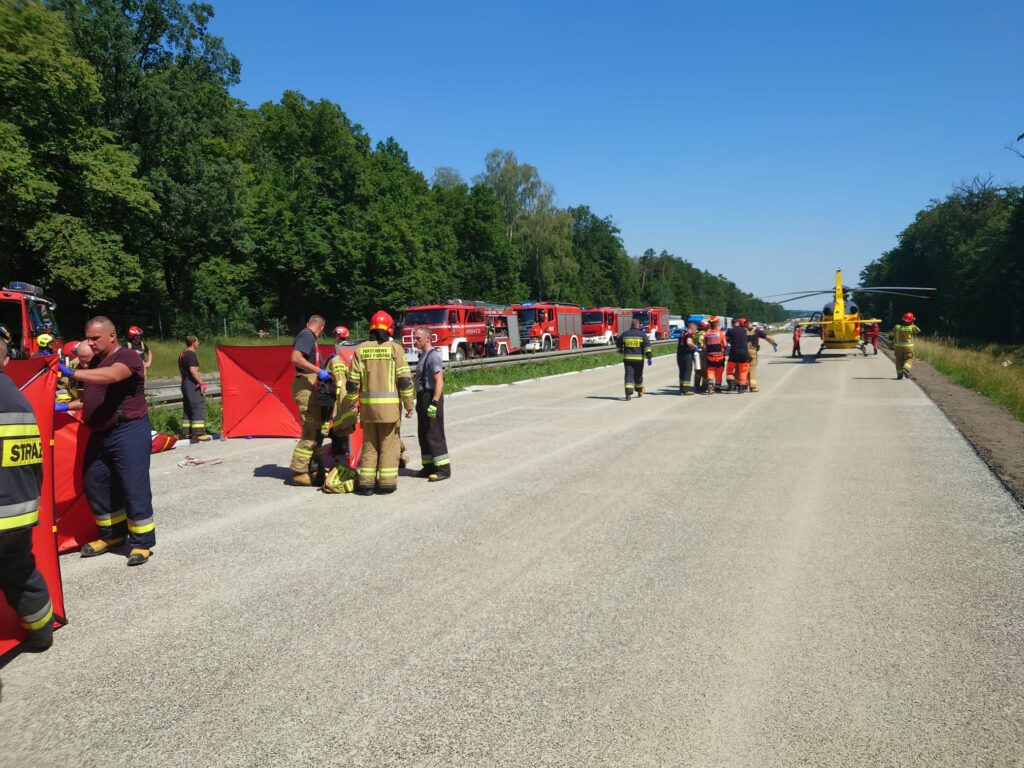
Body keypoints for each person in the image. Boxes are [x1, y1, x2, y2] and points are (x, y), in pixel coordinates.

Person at [58, 317, 155, 566]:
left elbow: (113, 377)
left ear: (111, 336)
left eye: (94, 339)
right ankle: (113, 535)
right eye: (87, 338)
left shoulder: (128, 357)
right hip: (101, 433)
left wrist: (72, 372)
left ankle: (141, 542)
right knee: (95, 482)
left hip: (129, 430)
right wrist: (64, 406)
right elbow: (90, 399)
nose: (90, 344)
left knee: (133, 485)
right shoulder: (96, 363)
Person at [0, 340, 53, 652]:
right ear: (6, 362)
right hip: (21, 509)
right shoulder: (21, 401)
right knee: (21, 573)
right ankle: (42, 633)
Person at [340, 311, 414, 495]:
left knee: (370, 446)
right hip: (389, 411)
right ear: (389, 328)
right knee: (389, 446)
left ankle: (366, 483)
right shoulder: (395, 349)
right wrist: (409, 405)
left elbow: (352, 382)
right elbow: (404, 380)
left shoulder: (361, 349)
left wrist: (352, 403)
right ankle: (387, 483)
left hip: (368, 410)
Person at [289, 315, 328, 486]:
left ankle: (315, 468)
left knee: (318, 430)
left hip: (309, 386)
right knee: (310, 430)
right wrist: (319, 370)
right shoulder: (307, 335)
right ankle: (299, 471)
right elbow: (296, 358)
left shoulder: (309, 337)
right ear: (321, 328)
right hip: (305, 385)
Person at [412, 327, 450, 482]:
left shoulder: (433, 357)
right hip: (423, 397)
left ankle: (443, 469)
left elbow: (439, 382)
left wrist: (434, 402)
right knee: (423, 433)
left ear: (428, 338)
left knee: (434, 433)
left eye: (418, 338)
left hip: (431, 396)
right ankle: (428, 467)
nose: (415, 341)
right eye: (414, 338)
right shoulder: (422, 356)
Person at [178, 335, 210, 442]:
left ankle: (187, 432)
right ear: (193, 343)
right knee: (197, 406)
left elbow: (183, 372)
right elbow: (193, 370)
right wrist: (201, 383)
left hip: (185, 383)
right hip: (192, 384)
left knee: (188, 408)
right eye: (197, 341)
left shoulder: (182, 354)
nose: (198, 343)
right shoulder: (191, 355)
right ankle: (198, 433)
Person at [616, 318, 651, 400]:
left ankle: (628, 394)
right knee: (638, 375)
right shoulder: (642, 335)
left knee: (629, 375)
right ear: (638, 325)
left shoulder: (625, 334)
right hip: (639, 359)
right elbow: (647, 347)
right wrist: (649, 357)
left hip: (628, 359)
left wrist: (620, 350)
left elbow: (618, 343)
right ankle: (639, 390)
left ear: (631, 325)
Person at [744, 320, 777, 393]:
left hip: (744, 352)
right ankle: (753, 387)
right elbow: (767, 337)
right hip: (753, 351)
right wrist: (773, 344)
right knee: (752, 369)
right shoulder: (757, 331)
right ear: (751, 324)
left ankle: (743, 385)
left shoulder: (743, 331)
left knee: (744, 368)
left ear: (745, 325)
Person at [890, 312, 921, 380]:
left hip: (898, 348)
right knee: (909, 359)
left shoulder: (896, 327)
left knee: (898, 361)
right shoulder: (912, 327)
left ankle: (899, 374)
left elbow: (891, 336)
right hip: (908, 348)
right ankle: (906, 369)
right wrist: (913, 323)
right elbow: (918, 331)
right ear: (911, 321)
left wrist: (892, 340)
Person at [725, 318, 751, 393]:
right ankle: (741, 388)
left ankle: (730, 386)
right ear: (739, 323)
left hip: (733, 353)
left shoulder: (730, 330)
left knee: (730, 370)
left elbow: (726, 340)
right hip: (744, 353)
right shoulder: (744, 330)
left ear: (732, 324)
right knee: (743, 371)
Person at [702, 318, 727, 393]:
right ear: (717, 325)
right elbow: (725, 344)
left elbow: (704, 346)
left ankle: (710, 383)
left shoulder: (707, 334)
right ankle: (718, 387)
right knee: (719, 372)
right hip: (720, 357)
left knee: (710, 371)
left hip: (710, 357)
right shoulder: (721, 333)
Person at [676, 321, 698, 395]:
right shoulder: (689, 334)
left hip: (679, 355)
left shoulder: (682, 333)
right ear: (692, 328)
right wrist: (695, 346)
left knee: (681, 372)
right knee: (687, 371)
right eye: (695, 330)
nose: (695, 332)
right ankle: (686, 390)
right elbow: (689, 342)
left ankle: (682, 389)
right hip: (686, 355)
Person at [693, 321, 708, 393]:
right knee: (705, 372)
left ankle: (696, 385)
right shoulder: (703, 334)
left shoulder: (695, 334)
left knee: (697, 371)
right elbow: (702, 345)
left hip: (695, 354)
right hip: (702, 354)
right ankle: (704, 386)